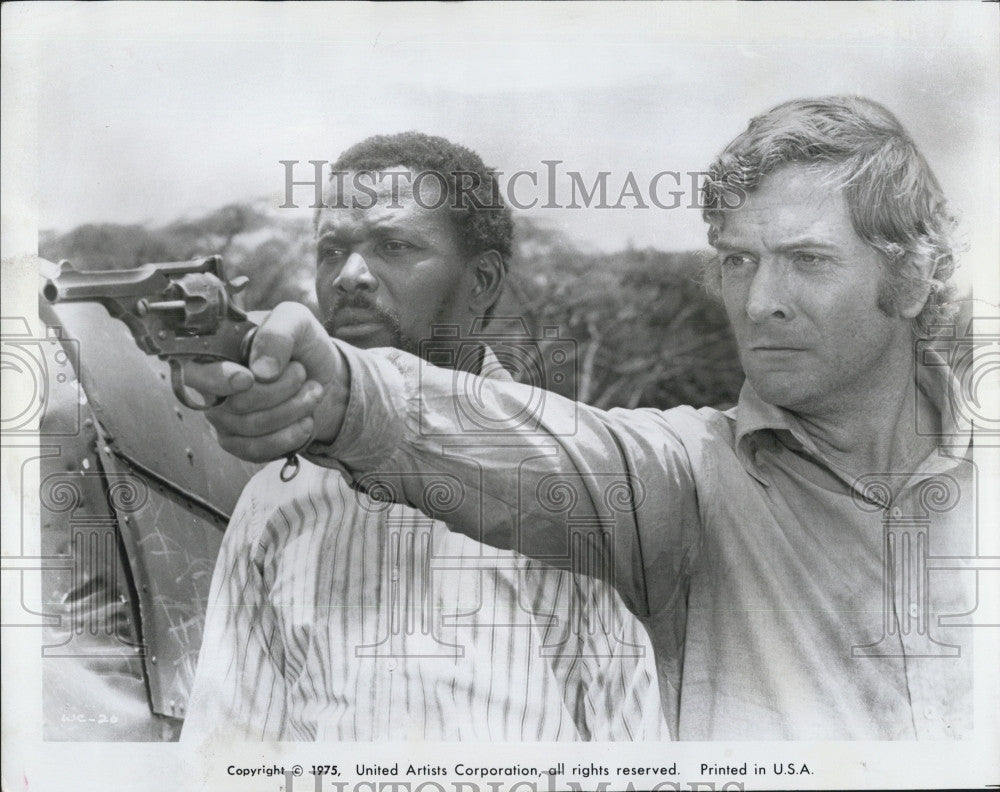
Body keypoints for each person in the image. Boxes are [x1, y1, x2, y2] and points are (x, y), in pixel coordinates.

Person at [184, 98, 977, 740]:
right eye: (737, 260)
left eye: (807, 259)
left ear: (911, 281)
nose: (758, 300)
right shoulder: (666, 478)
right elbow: (230, 741)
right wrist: (345, 400)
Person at [182, 132, 666, 741]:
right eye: (332, 251)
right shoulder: (274, 500)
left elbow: (632, 737)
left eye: (394, 245)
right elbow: (227, 746)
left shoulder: (577, 482)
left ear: (483, 281)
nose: (350, 276)